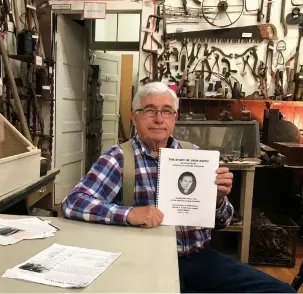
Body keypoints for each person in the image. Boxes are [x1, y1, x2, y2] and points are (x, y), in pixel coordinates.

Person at [61, 82, 295, 293]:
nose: (158, 118)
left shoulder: (194, 155)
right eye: (149, 110)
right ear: (134, 117)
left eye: (166, 111)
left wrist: (218, 200)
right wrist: (130, 213)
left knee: (281, 292)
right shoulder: (119, 158)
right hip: (143, 262)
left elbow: (223, 221)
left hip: (200, 258)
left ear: (175, 117)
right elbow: (73, 202)